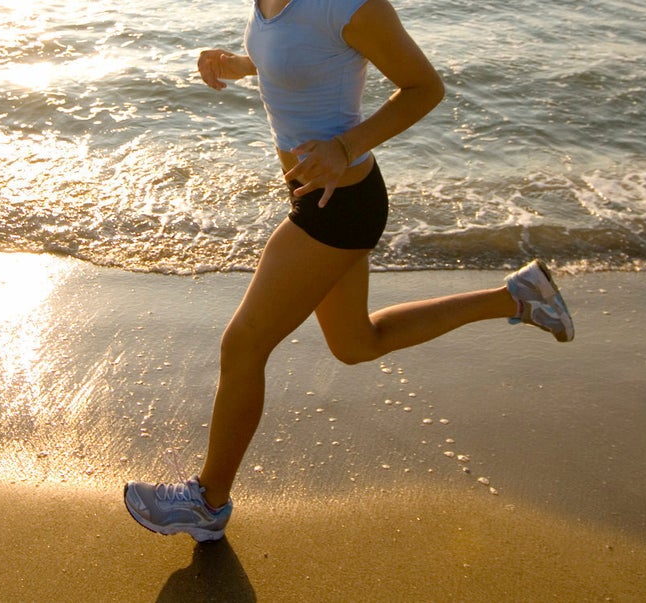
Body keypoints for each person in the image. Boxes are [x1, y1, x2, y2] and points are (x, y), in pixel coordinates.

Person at [124, 0, 574, 542]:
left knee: (242, 346)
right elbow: (298, 55)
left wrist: (344, 146)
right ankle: (518, 297)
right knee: (356, 343)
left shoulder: (351, 4)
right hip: (313, 193)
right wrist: (236, 64)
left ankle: (207, 502)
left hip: (342, 205)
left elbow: (425, 88)